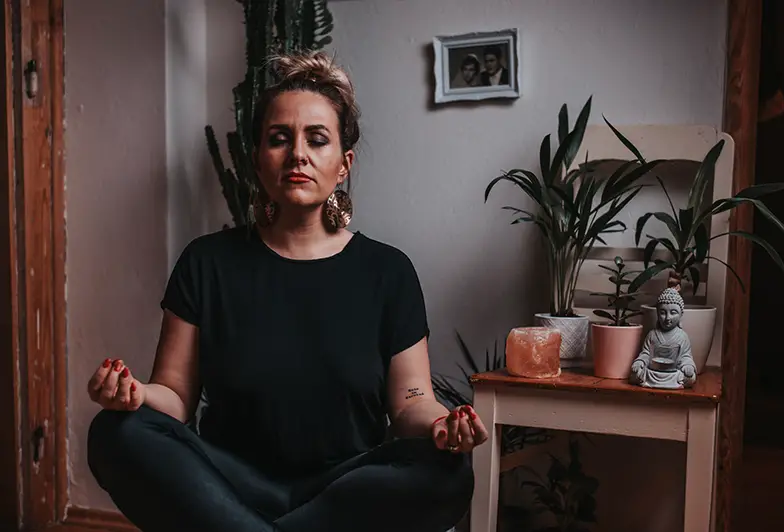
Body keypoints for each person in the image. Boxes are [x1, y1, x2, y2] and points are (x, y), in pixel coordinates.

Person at [85, 50, 487, 532]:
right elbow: (173, 396)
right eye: (279, 139)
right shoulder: (206, 262)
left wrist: (442, 426)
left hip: (345, 486)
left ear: (343, 164)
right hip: (228, 480)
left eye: (317, 140)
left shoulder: (389, 272)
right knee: (115, 432)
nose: (298, 154)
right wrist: (132, 396)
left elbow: (410, 404)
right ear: (258, 161)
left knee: (447, 471)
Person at [630, 288, 697, 389]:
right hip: (653, 372)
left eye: (673, 312)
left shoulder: (682, 337)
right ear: (657, 313)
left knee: (690, 378)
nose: (667, 318)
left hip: (673, 374)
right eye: (663, 312)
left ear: (681, 314)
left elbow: (686, 357)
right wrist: (640, 362)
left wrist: (688, 366)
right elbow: (646, 353)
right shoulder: (652, 334)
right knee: (636, 374)